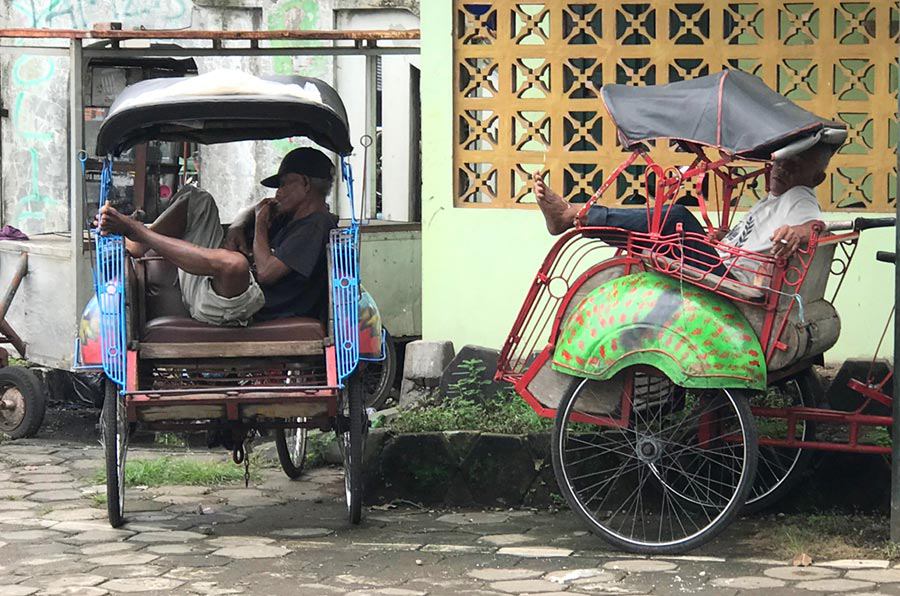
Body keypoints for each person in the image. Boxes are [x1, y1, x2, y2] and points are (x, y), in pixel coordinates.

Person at [97, 147, 338, 325]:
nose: (279, 192)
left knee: (234, 263)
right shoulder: (288, 216)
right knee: (197, 198)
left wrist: (262, 224)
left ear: (306, 184)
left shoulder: (316, 224)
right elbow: (248, 211)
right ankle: (138, 244)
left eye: (284, 184)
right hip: (217, 292)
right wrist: (238, 228)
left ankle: (138, 232)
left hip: (238, 308)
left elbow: (266, 272)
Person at [533, 143, 835, 280]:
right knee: (655, 238)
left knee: (676, 216)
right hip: (724, 263)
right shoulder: (773, 200)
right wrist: (724, 238)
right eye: (781, 161)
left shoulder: (799, 196)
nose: (780, 169)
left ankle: (576, 216)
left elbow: (814, 223)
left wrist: (800, 231)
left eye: (793, 166)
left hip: (731, 281)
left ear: (816, 178)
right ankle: (580, 219)